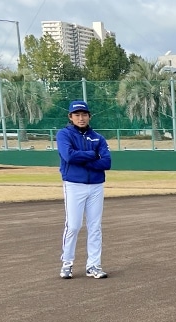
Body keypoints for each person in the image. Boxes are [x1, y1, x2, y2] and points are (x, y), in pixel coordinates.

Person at [57, 100, 111, 279]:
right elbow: (68, 156)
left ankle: (94, 265)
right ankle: (67, 262)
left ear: (89, 116)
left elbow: (107, 162)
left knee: (95, 226)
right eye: (77, 115)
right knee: (73, 225)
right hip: (74, 184)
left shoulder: (98, 138)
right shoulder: (64, 135)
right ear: (70, 117)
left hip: (96, 186)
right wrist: (92, 155)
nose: (81, 118)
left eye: (84, 114)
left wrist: (83, 158)